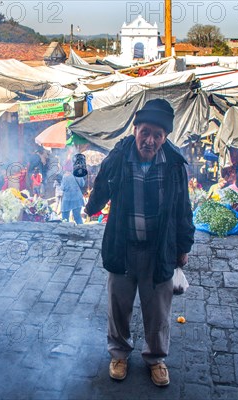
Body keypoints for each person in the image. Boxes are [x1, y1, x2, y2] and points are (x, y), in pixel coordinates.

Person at [84, 99, 195, 387]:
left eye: (157, 135)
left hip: (159, 251)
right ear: (135, 129)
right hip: (123, 245)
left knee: (158, 310)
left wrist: (183, 248)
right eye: (145, 132)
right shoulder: (120, 157)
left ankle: (155, 358)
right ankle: (119, 353)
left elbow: (184, 208)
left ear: (165, 137)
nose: (150, 140)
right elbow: (100, 190)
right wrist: (91, 205)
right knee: (119, 305)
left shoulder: (173, 164)